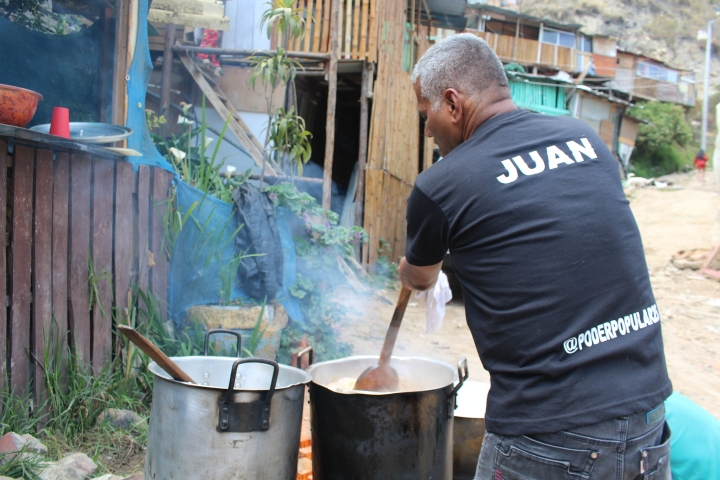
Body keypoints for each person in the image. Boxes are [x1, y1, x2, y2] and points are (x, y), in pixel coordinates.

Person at [399, 33, 672, 480]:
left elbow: (422, 277)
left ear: (452, 103)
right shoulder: (585, 140)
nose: (427, 130)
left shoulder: (442, 184)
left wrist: (409, 270)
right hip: (647, 419)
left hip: (551, 434)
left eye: (426, 115)